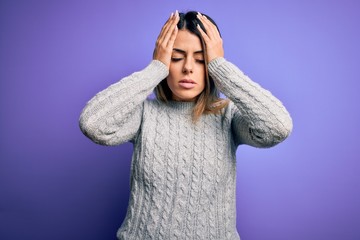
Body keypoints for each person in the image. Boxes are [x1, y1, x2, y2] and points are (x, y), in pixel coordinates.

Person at [79, 10, 292, 240]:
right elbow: (93, 124)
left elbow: (278, 127)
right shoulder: (144, 115)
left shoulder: (227, 116)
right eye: (176, 57)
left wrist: (221, 67)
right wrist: (155, 69)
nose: (188, 67)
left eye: (201, 60)